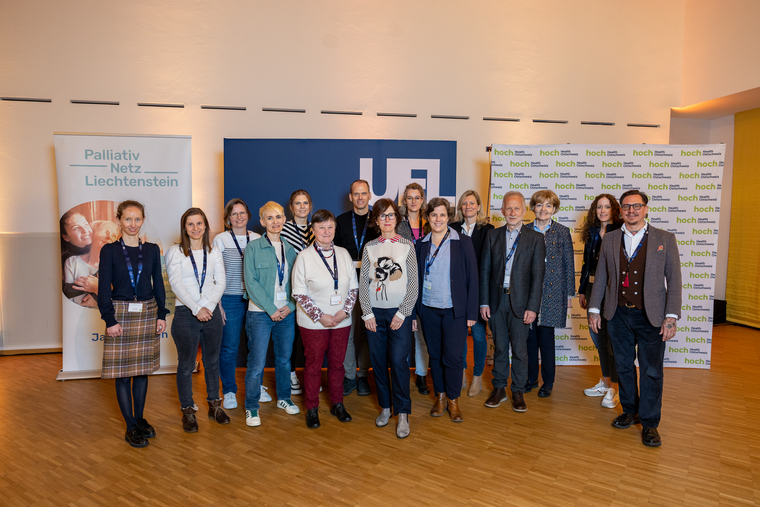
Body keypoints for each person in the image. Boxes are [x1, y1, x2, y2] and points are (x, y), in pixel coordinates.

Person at [588, 190, 682, 447]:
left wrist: (671, 317)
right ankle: (630, 410)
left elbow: (674, 280)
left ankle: (650, 423)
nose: (631, 211)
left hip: (651, 316)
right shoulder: (610, 238)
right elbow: (601, 276)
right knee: (623, 366)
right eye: (627, 206)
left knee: (651, 371)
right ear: (621, 210)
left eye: (636, 206)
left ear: (646, 209)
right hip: (617, 313)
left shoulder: (665, 239)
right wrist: (594, 309)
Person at [97, 200, 168, 448]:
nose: (132, 224)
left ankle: (139, 419)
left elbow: (158, 284)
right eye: (128, 219)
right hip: (120, 315)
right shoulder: (109, 251)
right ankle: (130, 427)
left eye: (137, 219)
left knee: (141, 371)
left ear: (143, 220)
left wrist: (162, 314)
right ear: (119, 220)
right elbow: (103, 289)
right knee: (122, 374)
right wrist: (110, 319)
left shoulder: (152, 250)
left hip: (147, 313)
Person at [291, 209, 359, 429]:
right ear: (313, 230)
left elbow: (354, 288)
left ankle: (337, 404)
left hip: (341, 321)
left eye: (330, 227)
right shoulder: (304, 257)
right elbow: (299, 293)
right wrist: (321, 316)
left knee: (337, 365)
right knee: (313, 366)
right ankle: (312, 408)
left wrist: (344, 312)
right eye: (321, 227)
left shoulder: (344, 254)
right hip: (313, 324)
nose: (326, 231)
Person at [480, 191, 545, 413]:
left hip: (521, 304)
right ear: (502, 211)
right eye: (508, 208)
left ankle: (517, 390)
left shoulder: (535, 239)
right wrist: (484, 302)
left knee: (519, 350)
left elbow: (538, 276)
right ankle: (499, 388)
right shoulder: (493, 236)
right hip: (496, 301)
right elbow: (485, 271)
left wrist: (533, 307)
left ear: (524, 211)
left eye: (517, 208)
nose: (513, 212)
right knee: (499, 348)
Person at [415, 198, 478, 423]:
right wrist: (414, 313)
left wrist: (472, 313)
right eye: (434, 215)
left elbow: (473, 278)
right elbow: (415, 280)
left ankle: (453, 400)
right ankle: (440, 397)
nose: (438, 219)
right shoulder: (420, 244)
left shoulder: (463, 241)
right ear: (427, 218)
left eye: (442, 215)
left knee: (453, 357)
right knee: (435, 356)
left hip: (454, 311)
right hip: (428, 309)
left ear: (449, 217)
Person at [359, 198, 418, 438]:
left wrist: (403, 312)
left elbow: (413, 284)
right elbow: (364, 282)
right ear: (376, 220)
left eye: (391, 215)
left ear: (397, 219)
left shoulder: (407, 245)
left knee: (398, 361)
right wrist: (367, 312)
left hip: (399, 314)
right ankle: (385, 406)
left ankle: (402, 412)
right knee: (379, 362)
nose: (387, 219)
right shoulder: (370, 247)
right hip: (375, 315)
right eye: (382, 215)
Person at [167, 207, 229, 433]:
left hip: (211, 313)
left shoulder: (214, 251)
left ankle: (215, 406)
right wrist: (196, 308)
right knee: (186, 365)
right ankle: (188, 411)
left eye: (199, 223)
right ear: (184, 227)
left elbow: (220, 282)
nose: (196, 228)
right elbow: (176, 285)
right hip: (186, 314)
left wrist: (208, 307)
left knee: (212, 362)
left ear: (205, 226)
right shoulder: (175, 252)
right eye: (191, 224)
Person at [243, 202, 300, 427]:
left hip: (285, 313)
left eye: (278, 217)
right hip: (260, 313)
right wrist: (271, 309)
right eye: (270, 218)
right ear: (262, 221)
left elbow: (297, 283)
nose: (275, 222)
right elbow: (251, 283)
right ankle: (251, 406)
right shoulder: (253, 248)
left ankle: (284, 398)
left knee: (284, 360)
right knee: (256, 364)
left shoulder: (290, 249)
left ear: (284, 219)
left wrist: (291, 306)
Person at [525, 190, 576, 398]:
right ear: (533, 207)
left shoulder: (562, 231)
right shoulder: (525, 230)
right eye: (539, 205)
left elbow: (568, 264)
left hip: (553, 293)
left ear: (554, 209)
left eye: (548, 205)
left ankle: (548, 382)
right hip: (528, 292)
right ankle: (530, 378)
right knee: (529, 339)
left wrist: (569, 295)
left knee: (546, 339)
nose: (543, 209)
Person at [212, 199, 261, 410]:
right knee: (230, 347)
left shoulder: (257, 238)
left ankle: (256, 387)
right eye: (234, 214)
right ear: (228, 219)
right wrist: (218, 303)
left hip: (254, 299)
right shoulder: (221, 239)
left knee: (256, 346)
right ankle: (229, 390)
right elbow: (215, 273)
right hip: (229, 299)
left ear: (248, 215)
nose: (239, 217)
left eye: (242, 213)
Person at [333, 180, 379, 397]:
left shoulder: (378, 221)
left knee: (368, 331)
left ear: (369, 195)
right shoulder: (340, 221)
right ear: (350, 197)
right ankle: (350, 376)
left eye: (364, 193)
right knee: (348, 331)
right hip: (348, 284)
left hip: (373, 284)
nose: (360, 197)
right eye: (356, 194)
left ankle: (363, 375)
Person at [578, 194, 623, 408]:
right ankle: (605, 383)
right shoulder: (593, 232)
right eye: (599, 207)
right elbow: (586, 264)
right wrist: (582, 290)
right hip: (591, 288)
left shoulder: (621, 231)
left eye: (606, 206)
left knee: (612, 340)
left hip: (611, 291)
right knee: (598, 338)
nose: (602, 211)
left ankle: (615, 387)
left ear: (614, 209)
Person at [451, 190, 494, 396]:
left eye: (472, 203)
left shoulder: (488, 230)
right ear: (461, 207)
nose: (468, 206)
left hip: (478, 289)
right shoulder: (452, 228)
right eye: (464, 203)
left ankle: (477, 376)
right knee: (459, 336)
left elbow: (489, 262)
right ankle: (460, 372)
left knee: (478, 335)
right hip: (457, 290)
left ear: (478, 207)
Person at [397, 183, 431, 395]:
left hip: (427, 283)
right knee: (402, 334)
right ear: (404, 201)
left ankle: (421, 375)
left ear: (422, 200)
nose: (413, 201)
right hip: (403, 284)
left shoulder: (430, 223)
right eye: (409, 197)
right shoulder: (398, 225)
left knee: (422, 335)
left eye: (417, 197)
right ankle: (399, 375)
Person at [281, 189, 316, 396]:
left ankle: (311, 375)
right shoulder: (283, 229)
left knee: (310, 335)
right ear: (291, 207)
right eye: (297, 203)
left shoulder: (316, 228)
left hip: (313, 291)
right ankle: (291, 373)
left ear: (310, 206)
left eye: (305, 203)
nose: (302, 207)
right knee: (291, 335)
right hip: (290, 289)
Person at [64, 220, 119, 306]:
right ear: (91, 235)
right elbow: (67, 296)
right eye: (106, 232)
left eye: (114, 235)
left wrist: (97, 290)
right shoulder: (72, 262)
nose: (110, 237)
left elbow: (124, 303)